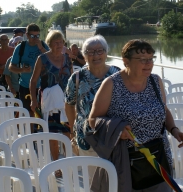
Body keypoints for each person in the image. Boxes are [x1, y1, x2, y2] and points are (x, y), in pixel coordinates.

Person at [89, 39, 183, 191]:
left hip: (159, 157)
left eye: (151, 59)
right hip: (126, 161)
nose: (149, 64)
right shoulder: (111, 84)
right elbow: (93, 120)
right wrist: (118, 131)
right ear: (126, 61)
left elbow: (163, 110)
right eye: (142, 60)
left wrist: (174, 130)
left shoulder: (155, 81)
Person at [64, 35, 120, 181]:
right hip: (86, 137)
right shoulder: (77, 78)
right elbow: (69, 104)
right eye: (90, 52)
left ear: (106, 53)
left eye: (99, 51)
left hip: (114, 136)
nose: (95, 55)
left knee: (115, 181)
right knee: (93, 181)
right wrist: (72, 132)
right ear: (84, 55)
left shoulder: (118, 74)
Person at [30, 30, 73, 176]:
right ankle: (56, 165)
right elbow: (34, 80)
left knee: (68, 133)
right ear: (49, 44)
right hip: (50, 103)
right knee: (53, 134)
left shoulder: (67, 58)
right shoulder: (42, 59)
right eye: (56, 42)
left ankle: (67, 162)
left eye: (61, 42)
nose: (59, 45)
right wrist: (33, 100)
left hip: (66, 102)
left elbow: (72, 79)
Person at [9, 23, 49, 116]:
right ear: (27, 35)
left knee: (43, 113)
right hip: (25, 86)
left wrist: (41, 48)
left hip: (42, 86)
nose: (35, 38)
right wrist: (22, 70)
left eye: (37, 36)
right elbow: (11, 67)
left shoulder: (42, 45)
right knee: (28, 113)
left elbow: (51, 60)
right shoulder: (21, 47)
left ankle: (42, 130)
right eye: (32, 36)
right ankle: (31, 130)